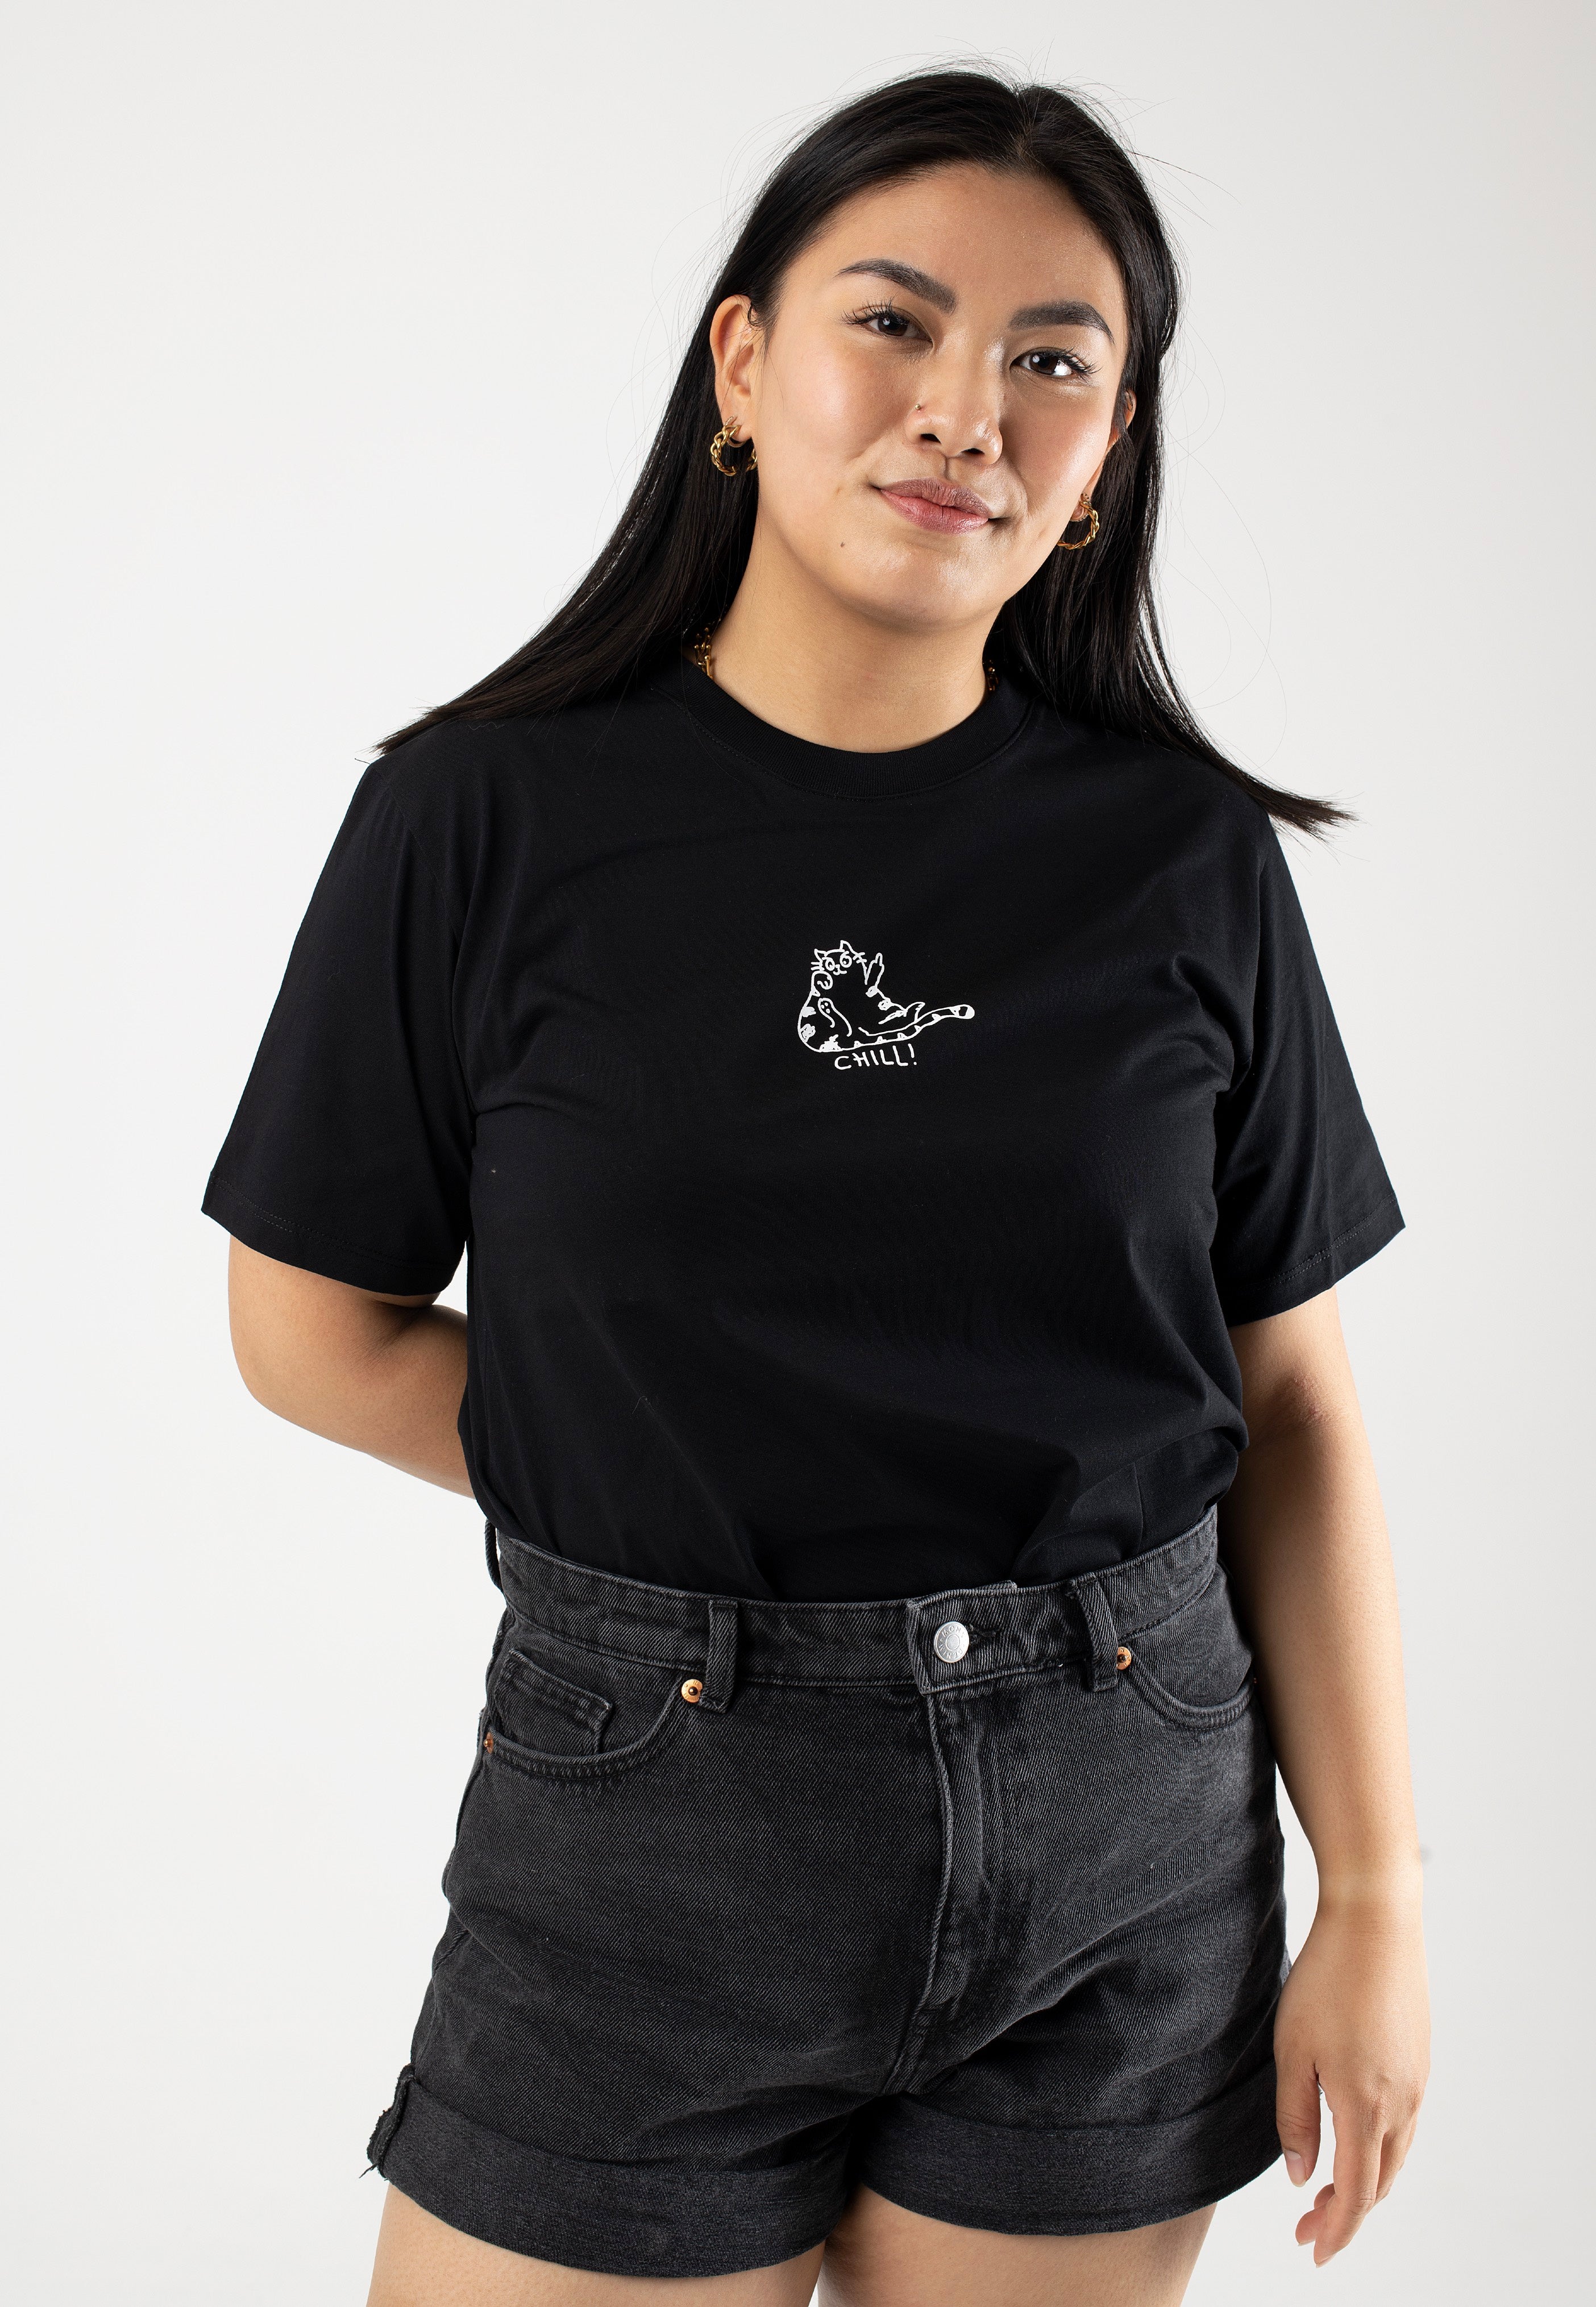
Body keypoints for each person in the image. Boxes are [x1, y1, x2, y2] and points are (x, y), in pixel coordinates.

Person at [201, 68, 1429, 2307]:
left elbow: (1298, 1406)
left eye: (1053, 361)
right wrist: (681, 1490)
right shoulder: (480, 822)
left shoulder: (1184, 860)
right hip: (649, 1825)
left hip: (1129, 1821)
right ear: (747, 365)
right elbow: (306, 1330)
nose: (969, 410)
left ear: (1107, 452)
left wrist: (1380, 1894)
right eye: (896, 322)